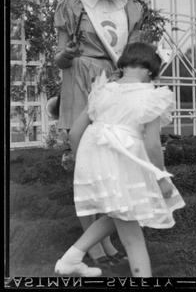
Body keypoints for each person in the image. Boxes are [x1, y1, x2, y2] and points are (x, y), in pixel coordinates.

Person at [54, 42, 185, 277]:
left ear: (123, 65)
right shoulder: (152, 96)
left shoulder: (102, 91)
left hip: (94, 164)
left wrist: (83, 165)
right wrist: (162, 178)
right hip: (122, 165)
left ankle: (71, 258)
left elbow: (74, 133)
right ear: (150, 71)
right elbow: (153, 145)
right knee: (133, 239)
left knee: (119, 213)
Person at [53, 0, 144, 267]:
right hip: (80, 79)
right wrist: (69, 54)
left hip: (113, 83)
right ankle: (94, 246)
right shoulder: (74, 7)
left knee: (110, 167)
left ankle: (104, 239)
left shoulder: (130, 8)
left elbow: (132, 52)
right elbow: (60, 57)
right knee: (86, 167)